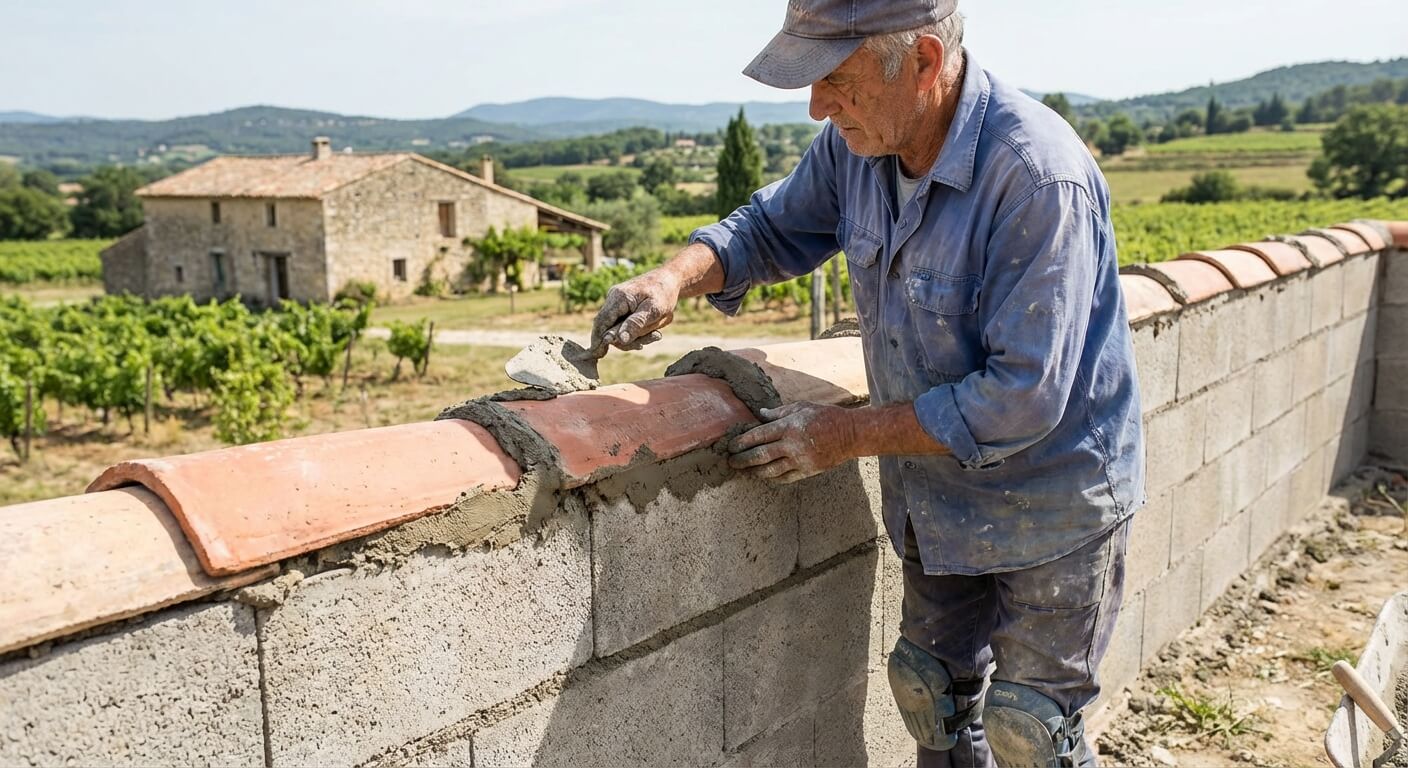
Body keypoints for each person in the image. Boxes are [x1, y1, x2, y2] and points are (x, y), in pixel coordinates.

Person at [589, 1, 1144, 765]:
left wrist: (844, 436)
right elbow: (770, 229)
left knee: (1030, 732)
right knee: (932, 701)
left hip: (1053, 505)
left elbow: (1023, 395)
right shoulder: (857, 147)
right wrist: (675, 276)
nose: (818, 105)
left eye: (836, 79)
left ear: (922, 61)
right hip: (937, 497)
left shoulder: (1036, 177)